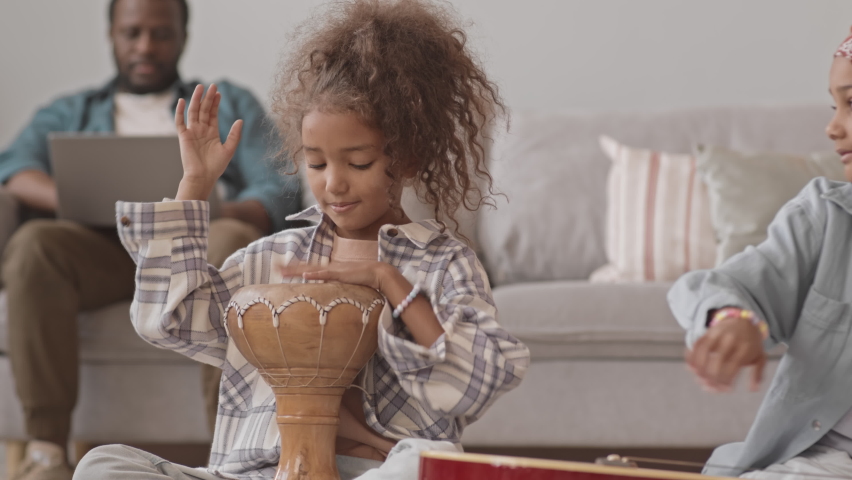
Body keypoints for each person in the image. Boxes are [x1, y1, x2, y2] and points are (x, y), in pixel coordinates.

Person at [72, 0, 530, 479]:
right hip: (264, 471)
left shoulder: (444, 265)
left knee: (426, 465)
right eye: (316, 163)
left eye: (358, 164)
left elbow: (471, 387)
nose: (334, 183)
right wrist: (195, 187)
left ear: (408, 158)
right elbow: (170, 321)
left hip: (372, 473)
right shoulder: (276, 259)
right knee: (101, 465)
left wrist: (388, 280)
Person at [0, 0, 299, 478]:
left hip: (198, 248)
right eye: (132, 33)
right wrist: (79, 199)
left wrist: (201, 207)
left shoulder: (230, 103)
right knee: (36, 246)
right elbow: (12, 168)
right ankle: (47, 452)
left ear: (182, 36)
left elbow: (279, 188)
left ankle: (231, 458)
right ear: (112, 36)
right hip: (102, 253)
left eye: (160, 34)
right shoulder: (71, 110)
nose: (145, 46)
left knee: (228, 239)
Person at [667, 28, 852, 479]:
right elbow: (729, 286)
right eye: (836, 104)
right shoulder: (826, 217)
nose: (833, 127)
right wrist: (731, 319)